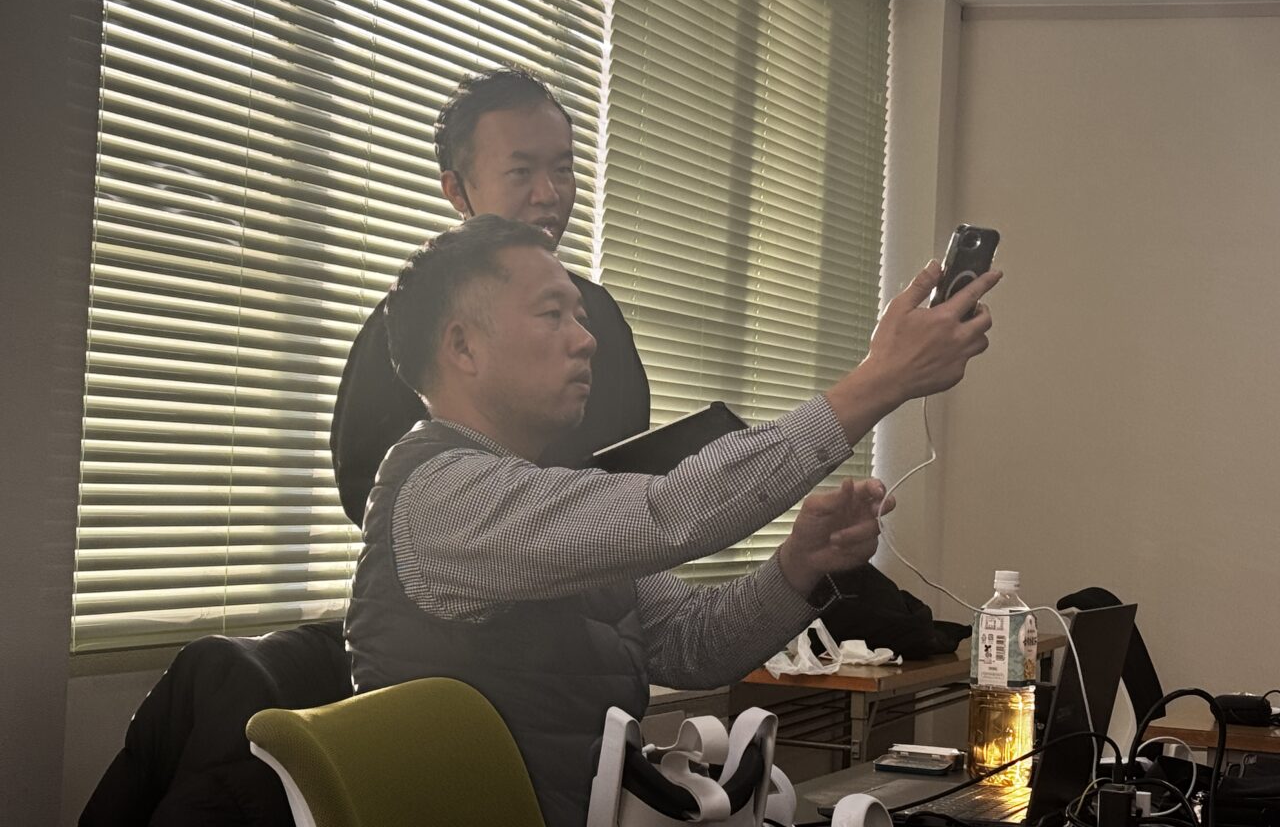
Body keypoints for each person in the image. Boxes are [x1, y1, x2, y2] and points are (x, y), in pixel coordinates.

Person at [344, 215, 1001, 827]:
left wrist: (801, 566)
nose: (586, 339)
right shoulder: (438, 495)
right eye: (551, 314)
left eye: (580, 316)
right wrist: (878, 381)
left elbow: (695, 643)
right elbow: (668, 512)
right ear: (462, 346)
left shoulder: (546, 504)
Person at [329, 67, 649, 526]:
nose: (549, 194)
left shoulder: (598, 313)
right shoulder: (414, 317)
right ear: (457, 190)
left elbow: (631, 456)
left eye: (563, 169)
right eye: (521, 172)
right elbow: (366, 483)